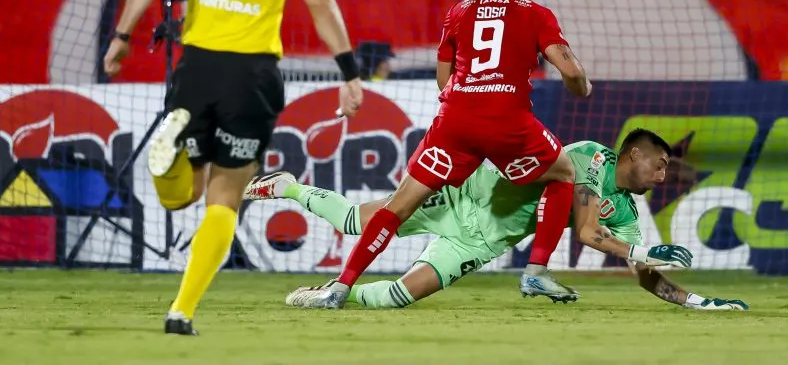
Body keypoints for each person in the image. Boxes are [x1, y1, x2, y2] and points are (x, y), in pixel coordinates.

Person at [102, 0, 364, 336]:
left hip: (198, 66)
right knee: (224, 198)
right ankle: (181, 311)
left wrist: (121, 36)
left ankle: (170, 156)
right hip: (252, 76)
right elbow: (320, 3)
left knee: (182, 196)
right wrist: (349, 72)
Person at [283, 0, 604, 309]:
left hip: (455, 121)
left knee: (396, 206)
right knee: (563, 173)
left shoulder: (460, 11)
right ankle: (535, 270)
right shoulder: (536, 13)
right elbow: (572, 72)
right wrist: (581, 85)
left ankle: (339, 288)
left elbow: (443, 79)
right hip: (507, 122)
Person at [247, 129, 731, 310]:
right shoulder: (588, 159)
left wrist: (694, 301)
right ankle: (289, 185)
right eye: (661, 164)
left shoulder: (625, 212)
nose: (665, 174)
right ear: (632, 155)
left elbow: (644, 277)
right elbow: (586, 231)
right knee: (354, 221)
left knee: (396, 297)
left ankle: (337, 294)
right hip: (463, 200)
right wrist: (644, 250)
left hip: (480, 243)